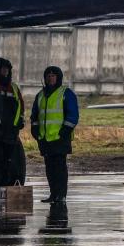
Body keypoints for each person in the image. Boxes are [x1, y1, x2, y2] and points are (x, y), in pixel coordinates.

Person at [31, 65, 78, 204]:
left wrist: (65, 131)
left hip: (60, 137)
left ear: (58, 78)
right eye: (48, 76)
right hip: (45, 138)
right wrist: (35, 129)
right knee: (50, 169)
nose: (50, 78)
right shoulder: (40, 95)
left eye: (53, 76)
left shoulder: (66, 93)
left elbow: (73, 115)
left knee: (60, 168)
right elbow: (34, 115)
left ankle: (61, 195)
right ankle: (53, 194)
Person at [0, 57, 24, 199]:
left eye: (7, 69)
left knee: (9, 163)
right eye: (2, 69)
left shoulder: (14, 88)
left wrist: (19, 123)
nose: (5, 71)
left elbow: (20, 107)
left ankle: (6, 192)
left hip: (11, 131)